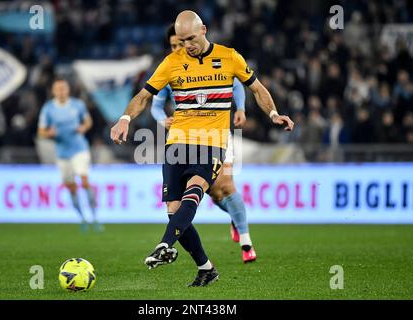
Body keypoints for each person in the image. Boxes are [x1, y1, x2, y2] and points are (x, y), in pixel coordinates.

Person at [110, 11, 294, 286]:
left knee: (195, 191)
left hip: (212, 142)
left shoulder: (229, 57)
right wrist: (125, 118)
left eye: (192, 39)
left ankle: (163, 246)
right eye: (182, 40)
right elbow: (144, 96)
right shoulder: (172, 62)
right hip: (177, 144)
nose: (187, 45)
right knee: (174, 211)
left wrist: (273, 114)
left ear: (204, 30)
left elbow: (257, 89)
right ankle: (206, 268)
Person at [151, 23, 257, 263]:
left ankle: (246, 241)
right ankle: (232, 217)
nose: (182, 47)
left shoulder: (216, 60)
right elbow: (155, 105)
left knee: (226, 185)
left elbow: (237, 83)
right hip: (185, 138)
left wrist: (239, 108)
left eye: (183, 42)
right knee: (212, 192)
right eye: (175, 45)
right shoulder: (170, 67)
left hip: (216, 132)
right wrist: (162, 120)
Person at [38, 78, 103, 233]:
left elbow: (88, 121)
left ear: (68, 90)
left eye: (63, 88)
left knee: (84, 180)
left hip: (79, 149)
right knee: (71, 187)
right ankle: (83, 219)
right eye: (58, 88)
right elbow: (40, 131)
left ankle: (95, 218)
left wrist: (83, 128)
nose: (61, 91)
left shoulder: (77, 105)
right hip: (62, 153)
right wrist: (49, 133)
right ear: (53, 91)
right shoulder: (48, 109)